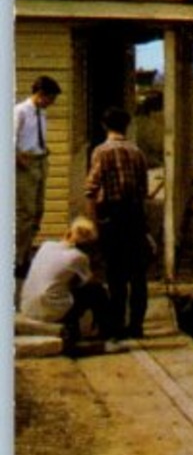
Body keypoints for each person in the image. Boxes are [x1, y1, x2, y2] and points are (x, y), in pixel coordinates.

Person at [84, 107, 151, 340]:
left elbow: (91, 189)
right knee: (138, 274)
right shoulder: (137, 152)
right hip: (134, 214)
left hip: (110, 214)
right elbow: (144, 190)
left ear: (105, 126)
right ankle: (137, 325)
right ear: (127, 126)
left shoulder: (100, 152)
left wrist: (93, 222)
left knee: (115, 273)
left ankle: (117, 325)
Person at [19, 217, 118, 355]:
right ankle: (108, 335)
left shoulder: (46, 245)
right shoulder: (78, 257)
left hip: (27, 307)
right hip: (50, 310)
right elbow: (89, 282)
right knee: (97, 292)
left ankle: (83, 328)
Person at [14, 75, 61, 277]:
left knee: (38, 211)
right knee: (25, 213)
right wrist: (18, 157)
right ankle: (16, 259)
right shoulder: (20, 111)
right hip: (25, 163)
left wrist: (43, 149)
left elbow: (34, 136)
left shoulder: (41, 113)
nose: (52, 103)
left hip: (40, 161)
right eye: (51, 98)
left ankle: (24, 254)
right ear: (41, 95)